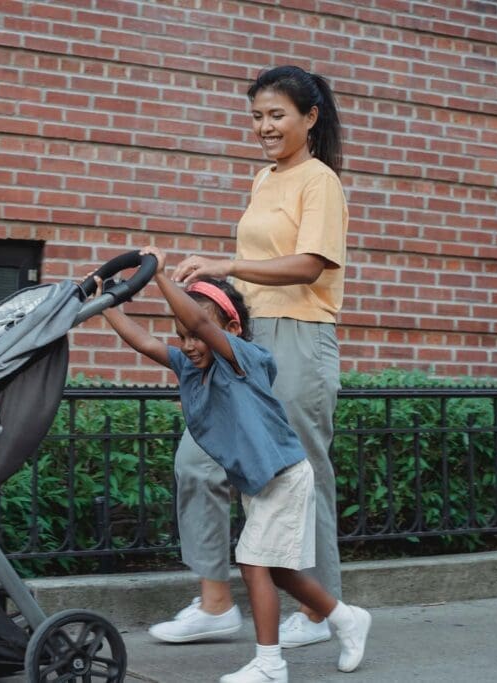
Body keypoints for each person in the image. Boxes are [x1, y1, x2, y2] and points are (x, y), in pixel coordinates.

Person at [95, 247, 370, 683]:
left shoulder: (244, 358)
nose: (190, 344)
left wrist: (161, 277)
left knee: (253, 563)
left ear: (233, 328)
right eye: (182, 336)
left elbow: (203, 322)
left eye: (197, 335)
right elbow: (146, 342)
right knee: (278, 570)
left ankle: (270, 664)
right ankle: (344, 616)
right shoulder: (191, 366)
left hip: (285, 477)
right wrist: (107, 304)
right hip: (259, 485)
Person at [150, 64, 348, 650]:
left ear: (309, 118)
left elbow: (309, 264)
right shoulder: (264, 179)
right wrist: (206, 291)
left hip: (300, 335)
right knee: (199, 460)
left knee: (300, 475)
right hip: (247, 336)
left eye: (276, 115)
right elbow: (249, 277)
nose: (264, 126)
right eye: (257, 116)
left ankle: (319, 614)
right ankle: (215, 604)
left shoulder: (320, 182)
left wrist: (224, 264)